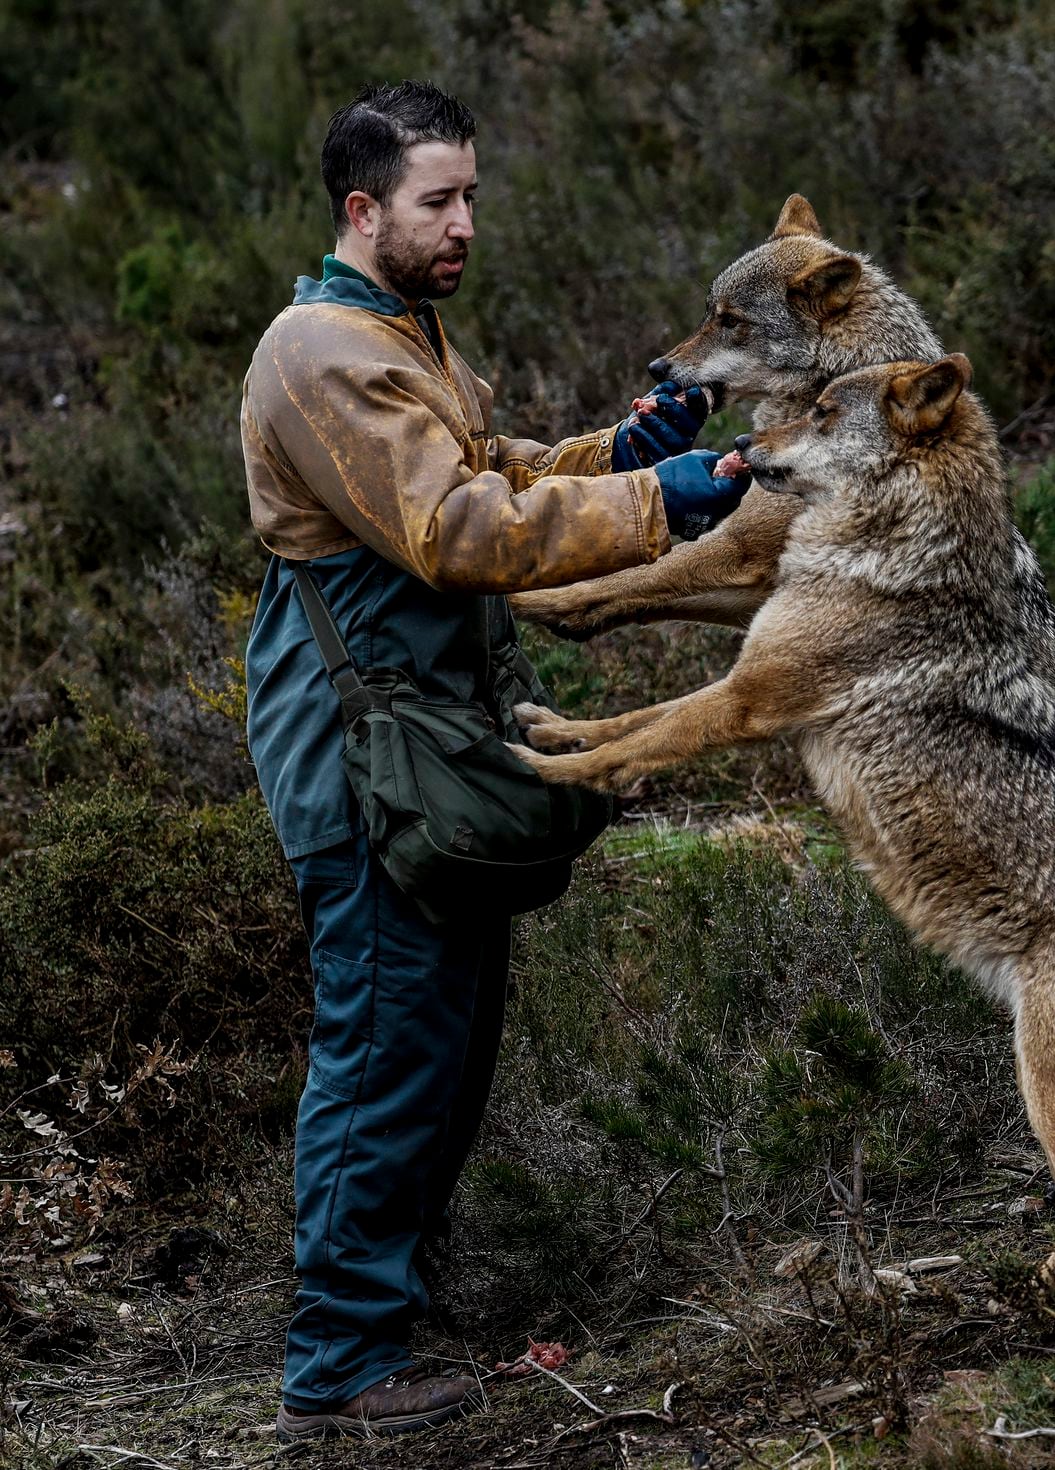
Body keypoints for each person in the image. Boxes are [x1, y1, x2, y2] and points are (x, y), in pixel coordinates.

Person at [239, 80, 745, 1442]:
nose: (465, 221)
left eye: (471, 194)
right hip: (365, 767)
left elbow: (499, 466)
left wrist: (620, 453)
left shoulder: (406, 336)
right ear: (364, 210)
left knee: (444, 1049)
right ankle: (335, 1367)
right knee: (386, 1047)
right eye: (436, 200)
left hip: (428, 753)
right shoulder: (320, 351)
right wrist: (656, 503)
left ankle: (383, 1316)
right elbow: (458, 528)